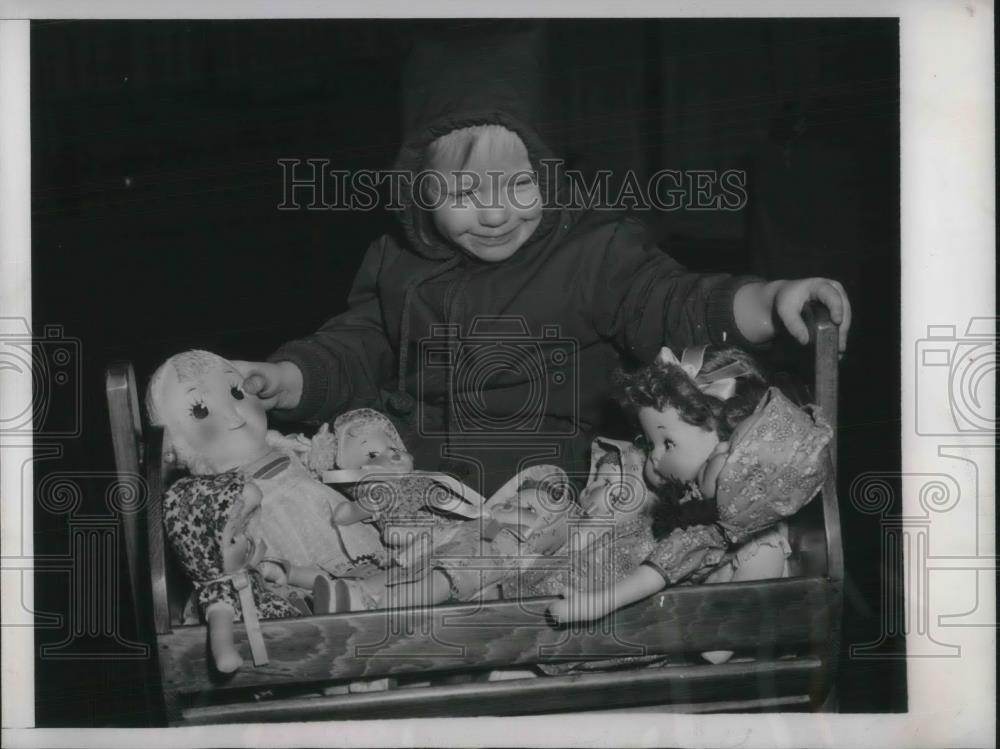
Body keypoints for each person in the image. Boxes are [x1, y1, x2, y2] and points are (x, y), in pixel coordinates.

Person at [233, 31, 850, 498]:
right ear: (419, 193)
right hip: (409, 468)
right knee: (279, 487)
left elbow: (677, 303)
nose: (496, 216)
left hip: (541, 479)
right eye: (465, 194)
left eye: (518, 186)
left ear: (549, 173)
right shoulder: (396, 261)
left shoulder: (594, 250)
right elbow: (357, 345)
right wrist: (289, 377)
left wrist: (769, 301)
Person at [545, 345, 834, 642]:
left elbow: (718, 636)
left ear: (728, 440)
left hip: (651, 625)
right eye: (649, 442)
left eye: (667, 444)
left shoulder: (746, 544)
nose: (654, 457)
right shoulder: (684, 500)